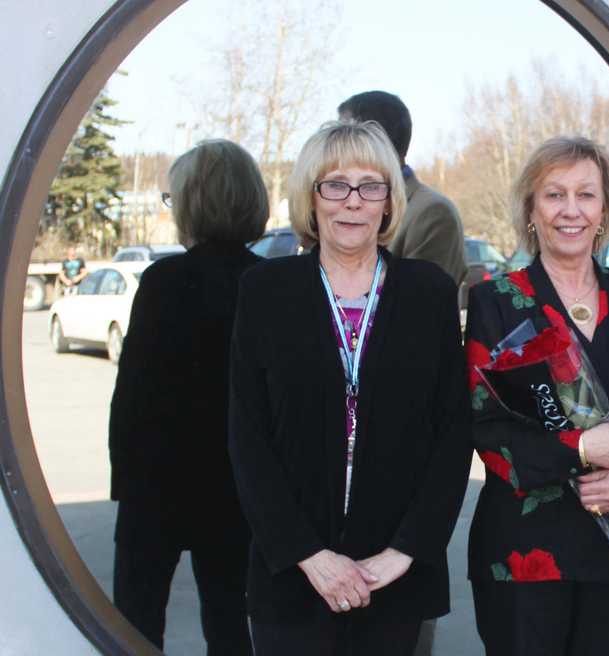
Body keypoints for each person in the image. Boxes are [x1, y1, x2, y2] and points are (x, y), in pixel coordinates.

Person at [228, 120, 471, 655]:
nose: (353, 202)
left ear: (390, 200)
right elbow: (247, 437)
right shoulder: (266, 291)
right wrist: (310, 557)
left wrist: (404, 552)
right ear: (310, 199)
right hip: (292, 571)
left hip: (395, 572)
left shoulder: (427, 292)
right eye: (334, 184)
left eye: (371, 185)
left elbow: (453, 433)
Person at [464, 136, 609, 655]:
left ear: (604, 210)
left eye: (586, 195)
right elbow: (483, 428)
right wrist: (580, 451)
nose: (570, 210)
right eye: (554, 195)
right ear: (531, 210)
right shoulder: (496, 302)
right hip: (522, 556)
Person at [108, 139, 269, 653]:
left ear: (194, 203)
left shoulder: (165, 282)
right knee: (229, 624)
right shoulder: (268, 283)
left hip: (159, 484)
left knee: (136, 623)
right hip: (237, 488)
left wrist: (125, 483)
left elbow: (133, 396)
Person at [338, 90, 467, 286]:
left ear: (374, 140)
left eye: (342, 135)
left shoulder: (432, 213)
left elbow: (421, 304)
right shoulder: (337, 204)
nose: (332, 147)